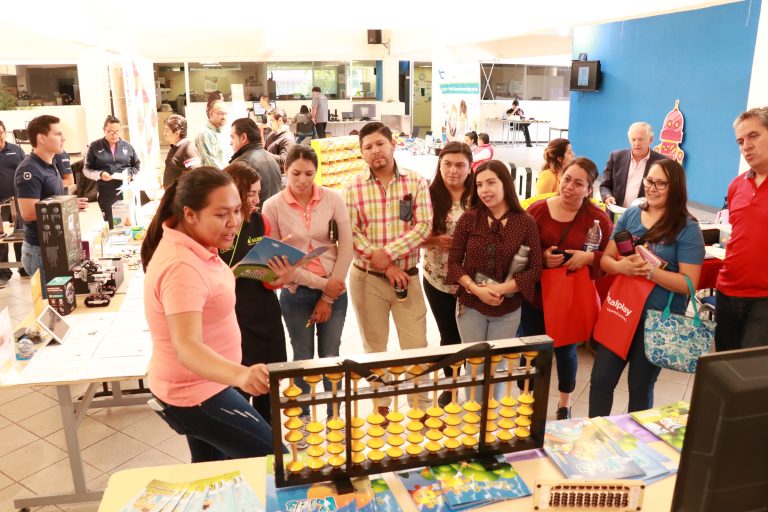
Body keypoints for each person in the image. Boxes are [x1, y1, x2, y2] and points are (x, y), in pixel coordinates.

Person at [140, 166, 275, 462]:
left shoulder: (198, 247)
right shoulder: (182, 266)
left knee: (211, 470)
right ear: (190, 214)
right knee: (274, 461)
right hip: (197, 392)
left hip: (204, 383)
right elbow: (186, 347)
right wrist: (241, 374)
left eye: (237, 211)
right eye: (221, 214)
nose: (234, 223)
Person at [589, 159, 704, 417]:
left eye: (661, 183)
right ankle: (594, 441)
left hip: (656, 321)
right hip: (622, 311)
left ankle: (636, 447)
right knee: (601, 381)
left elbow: (688, 284)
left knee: (639, 388)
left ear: (675, 188)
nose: (652, 188)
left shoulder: (687, 227)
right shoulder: (631, 214)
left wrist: (651, 272)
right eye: (649, 181)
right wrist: (623, 268)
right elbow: (607, 259)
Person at [343, 122, 432, 414]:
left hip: (408, 279)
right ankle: (381, 407)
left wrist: (389, 256)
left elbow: (424, 227)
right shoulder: (352, 186)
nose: (374, 151)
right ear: (362, 153)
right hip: (367, 279)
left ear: (392, 144)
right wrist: (381, 262)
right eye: (367, 147)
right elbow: (351, 233)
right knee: (374, 346)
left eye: (379, 144)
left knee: (416, 346)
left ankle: (420, 409)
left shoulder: (416, 182)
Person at [262, 145, 353, 422]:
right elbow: (281, 266)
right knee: (302, 354)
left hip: (334, 288)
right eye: (296, 173)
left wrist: (328, 294)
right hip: (296, 293)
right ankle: (300, 417)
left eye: (309, 174)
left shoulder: (333, 198)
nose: (303, 180)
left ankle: (334, 415)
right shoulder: (272, 205)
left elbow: (346, 247)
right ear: (285, 171)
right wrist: (318, 285)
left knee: (330, 354)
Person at [523, 157, 613, 419]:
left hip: (568, 298)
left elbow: (607, 261)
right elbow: (519, 250)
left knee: (565, 351)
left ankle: (564, 404)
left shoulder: (598, 220)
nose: (569, 187)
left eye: (578, 183)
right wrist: (541, 258)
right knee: (531, 350)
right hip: (536, 296)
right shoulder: (537, 210)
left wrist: (588, 258)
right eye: (566, 179)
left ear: (589, 189)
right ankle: (527, 401)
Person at [448, 160, 542, 397]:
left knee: (496, 368)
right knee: (474, 367)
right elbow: (454, 263)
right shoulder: (470, 219)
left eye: (491, 182)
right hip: (470, 305)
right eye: (479, 185)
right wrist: (476, 289)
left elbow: (534, 269)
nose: (484, 190)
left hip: (507, 308)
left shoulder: (526, 222)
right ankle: (472, 421)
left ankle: (488, 423)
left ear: (505, 183)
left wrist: (501, 289)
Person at [218, 162, 287, 426]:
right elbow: (209, 279)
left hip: (265, 314)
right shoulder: (217, 227)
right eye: (251, 194)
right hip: (232, 316)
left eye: (258, 193)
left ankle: (269, 448)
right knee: (237, 392)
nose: (257, 199)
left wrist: (280, 274)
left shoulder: (261, 221)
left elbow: (271, 283)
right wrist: (233, 272)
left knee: (268, 389)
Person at [421, 141, 474, 407]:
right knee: (449, 334)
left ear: (470, 167)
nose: (453, 171)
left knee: (471, 335)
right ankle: (451, 386)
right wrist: (432, 241)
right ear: (439, 165)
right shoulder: (427, 195)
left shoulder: (479, 195)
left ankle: (472, 384)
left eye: (460, 165)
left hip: (474, 282)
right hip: (437, 279)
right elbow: (408, 235)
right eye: (447, 164)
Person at [715, 106, 768, 351]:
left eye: (753, 136)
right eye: (740, 140)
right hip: (727, 291)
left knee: (749, 377)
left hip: (763, 298)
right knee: (724, 370)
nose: (745, 146)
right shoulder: (736, 185)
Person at [14, 115, 85, 285]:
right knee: (51, 307)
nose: (64, 139)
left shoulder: (50, 164)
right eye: (58, 134)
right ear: (42, 138)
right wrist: (66, 207)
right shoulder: (29, 170)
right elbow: (29, 213)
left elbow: (51, 201)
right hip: (41, 251)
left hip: (57, 246)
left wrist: (70, 206)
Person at [83, 115, 140, 228]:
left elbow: (137, 165)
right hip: (106, 192)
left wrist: (130, 175)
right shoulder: (94, 146)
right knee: (114, 225)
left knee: (131, 223)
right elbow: (86, 169)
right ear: (104, 130)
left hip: (126, 191)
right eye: (111, 132)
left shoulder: (127, 146)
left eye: (117, 131)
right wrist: (100, 174)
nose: (114, 135)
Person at [600, 122, 667, 207]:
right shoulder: (616, 157)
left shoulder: (662, 162)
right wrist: (607, 197)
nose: (636, 143)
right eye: (633, 139)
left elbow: (666, 192)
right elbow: (604, 185)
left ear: (651, 139)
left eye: (641, 139)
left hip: (645, 215)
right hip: (616, 213)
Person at [229, 118, 283, 204]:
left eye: (232, 137)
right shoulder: (270, 157)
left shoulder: (241, 165)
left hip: (255, 216)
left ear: (243, 137)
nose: (230, 142)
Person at [0, 120, 28, 286]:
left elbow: (27, 169)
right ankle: (3, 272)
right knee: (1, 238)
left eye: (0, 132)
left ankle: (24, 267)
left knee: (21, 235)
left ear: (5, 132)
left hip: (17, 201)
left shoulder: (16, 150)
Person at [162, 114, 201, 188]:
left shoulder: (188, 148)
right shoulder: (175, 147)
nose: (164, 134)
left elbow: (196, 174)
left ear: (177, 133)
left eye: (167, 131)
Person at [195, 100, 231, 169]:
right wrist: (227, 177)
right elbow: (210, 162)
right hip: (215, 177)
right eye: (220, 113)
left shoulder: (223, 132)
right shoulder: (204, 134)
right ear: (211, 114)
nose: (224, 117)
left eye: (226, 113)